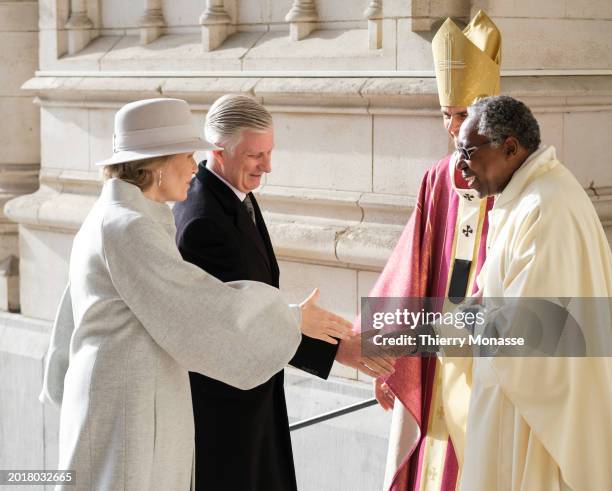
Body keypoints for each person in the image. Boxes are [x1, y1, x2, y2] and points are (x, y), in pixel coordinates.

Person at [38, 97, 353, 490]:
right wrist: (292, 318)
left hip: (128, 397)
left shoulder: (118, 218)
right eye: (188, 155)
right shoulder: (128, 226)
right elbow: (197, 308)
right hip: (129, 407)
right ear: (157, 165)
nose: (194, 166)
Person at [172, 94, 395, 491]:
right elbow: (237, 323)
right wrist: (337, 351)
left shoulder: (233, 194)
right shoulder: (202, 220)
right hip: (225, 411)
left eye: (270, 152)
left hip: (253, 398)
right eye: (257, 155)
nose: (268, 166)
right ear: (219, 152)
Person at [363, 11, 502, 491]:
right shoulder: (437, 177)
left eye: (463, 116)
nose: (453, 128)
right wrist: (387, 347)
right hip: (439, 348)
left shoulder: (512, 181)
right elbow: (411, 266)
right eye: (447, 115)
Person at [456, 95, 612, 490]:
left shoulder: (546, 208)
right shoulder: (532, 195)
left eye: (468, 152)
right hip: (514, 401)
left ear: (510, 147)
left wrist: (469, 318)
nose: (461, 167)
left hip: (533, 423)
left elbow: (529, 337)